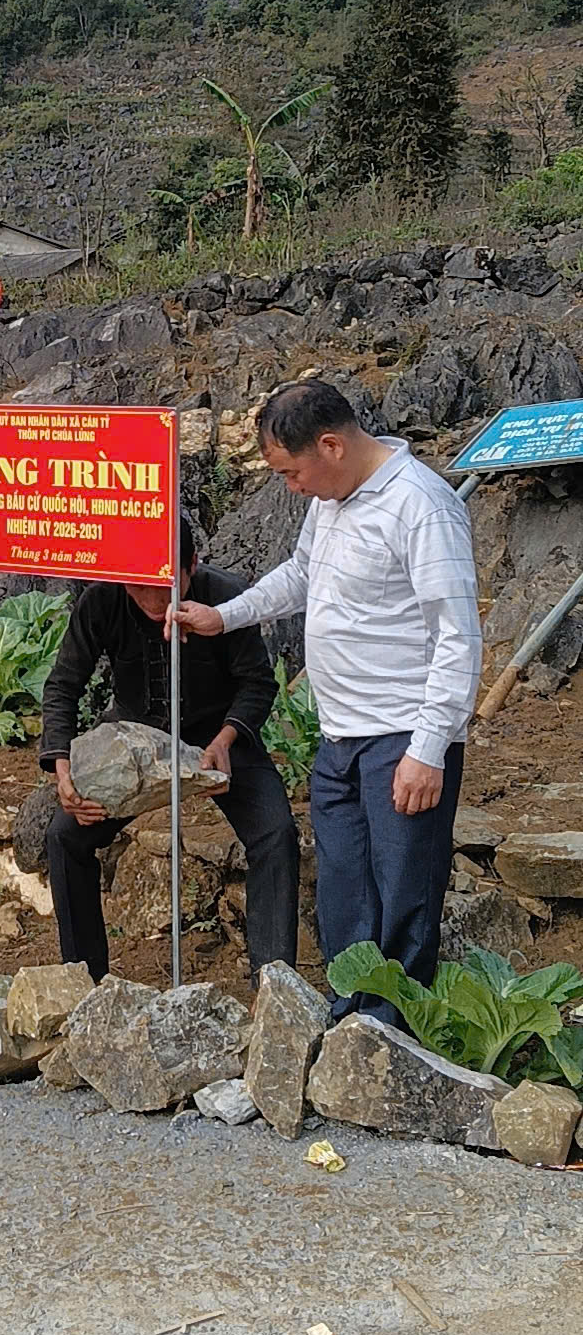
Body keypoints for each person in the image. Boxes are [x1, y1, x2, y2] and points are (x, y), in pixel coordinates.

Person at [169, 380, 482, 1016]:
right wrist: (223, 616)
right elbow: (302, 574)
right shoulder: (332, 499)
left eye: (291, 472)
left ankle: (394, 1036)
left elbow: (458, 636)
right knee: (344, 890)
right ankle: (348, 1020)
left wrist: (429, 750)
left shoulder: (422, 506)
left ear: (332, 445)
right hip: (340, 736)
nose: (292, 487)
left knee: (403, 894)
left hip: (403, 736)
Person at [41, 515, 299, 987]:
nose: (157, 603)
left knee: (276, 833)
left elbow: (257, 683)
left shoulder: (225, 595)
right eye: (139, 590)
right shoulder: (102, 600)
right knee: (65, 835)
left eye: (166, 586)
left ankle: (276, 985)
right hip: (134, 739)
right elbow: (63, 685)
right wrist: (62, 765)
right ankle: (84, 980)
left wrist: (228, 738)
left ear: (192, 566)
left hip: (216, 735)